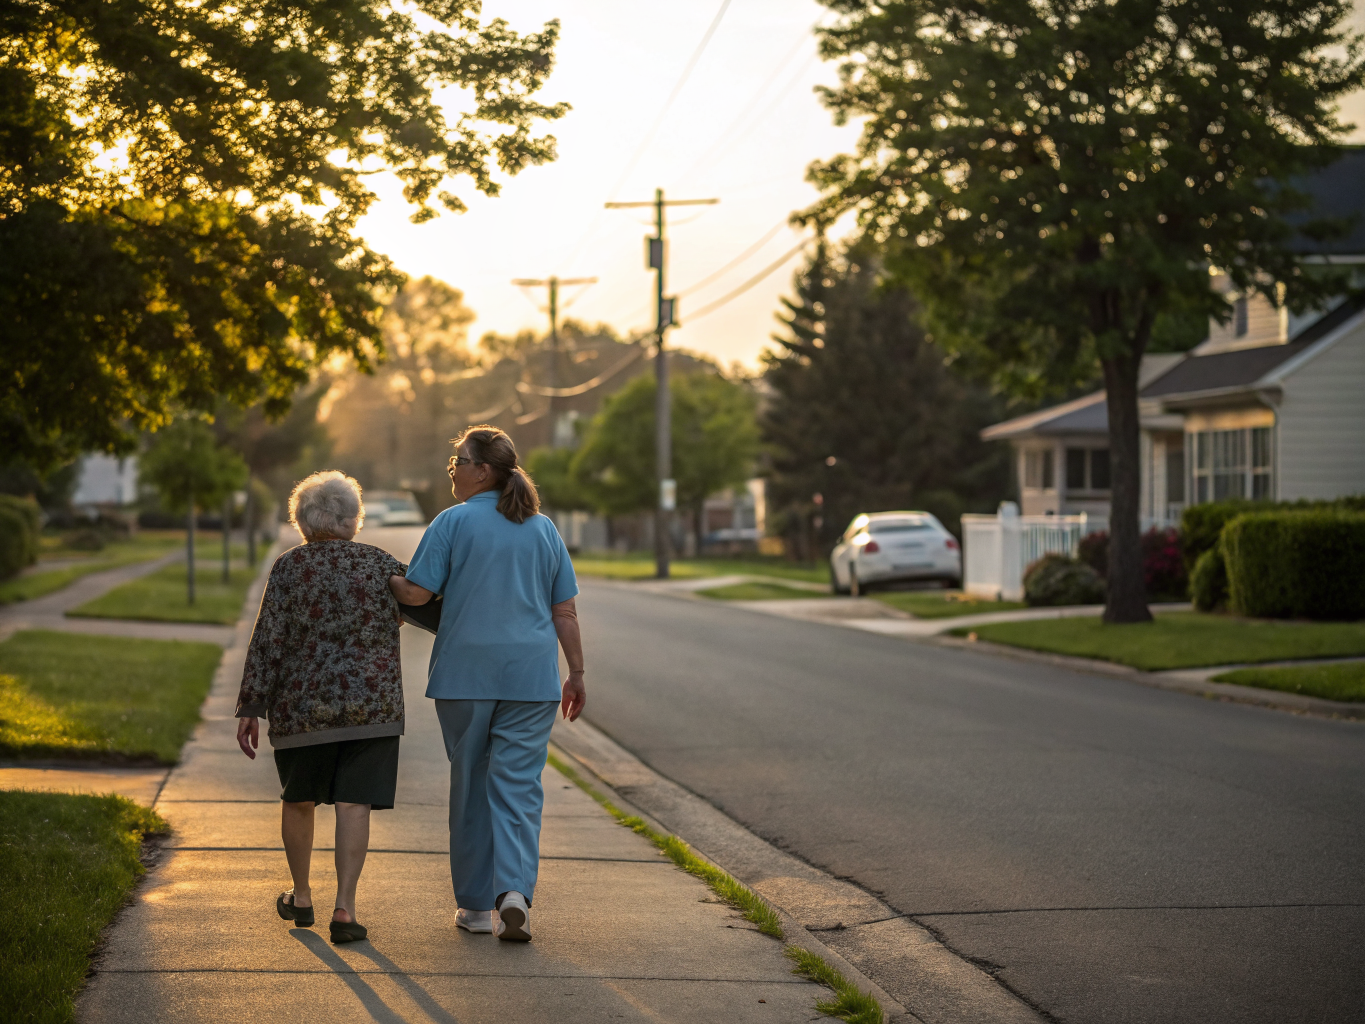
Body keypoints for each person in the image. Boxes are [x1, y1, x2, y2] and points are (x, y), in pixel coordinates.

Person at [389, 425, 585, 942]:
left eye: (457, 461)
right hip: (533, 678)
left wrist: (379, 577)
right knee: (519, 789)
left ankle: (476, 908)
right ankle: (514, 891)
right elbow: (563, 610)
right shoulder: (543, 529)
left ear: (483, 470)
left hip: (464, 677)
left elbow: (415, 593)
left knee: (472, 784)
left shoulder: (453, 521)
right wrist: (577, 673)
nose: (451, 470)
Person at [235, 470, 407, 945]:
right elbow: (421, 603)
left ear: (304, 522)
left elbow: (268, 637)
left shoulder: (289, 567)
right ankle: (345, 909)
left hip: (302, 710)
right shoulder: (378, 563)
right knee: (354, 804)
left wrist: (252, 705)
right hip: (371, 708)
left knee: (299, 799)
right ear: (351, 519)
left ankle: (303, 894)